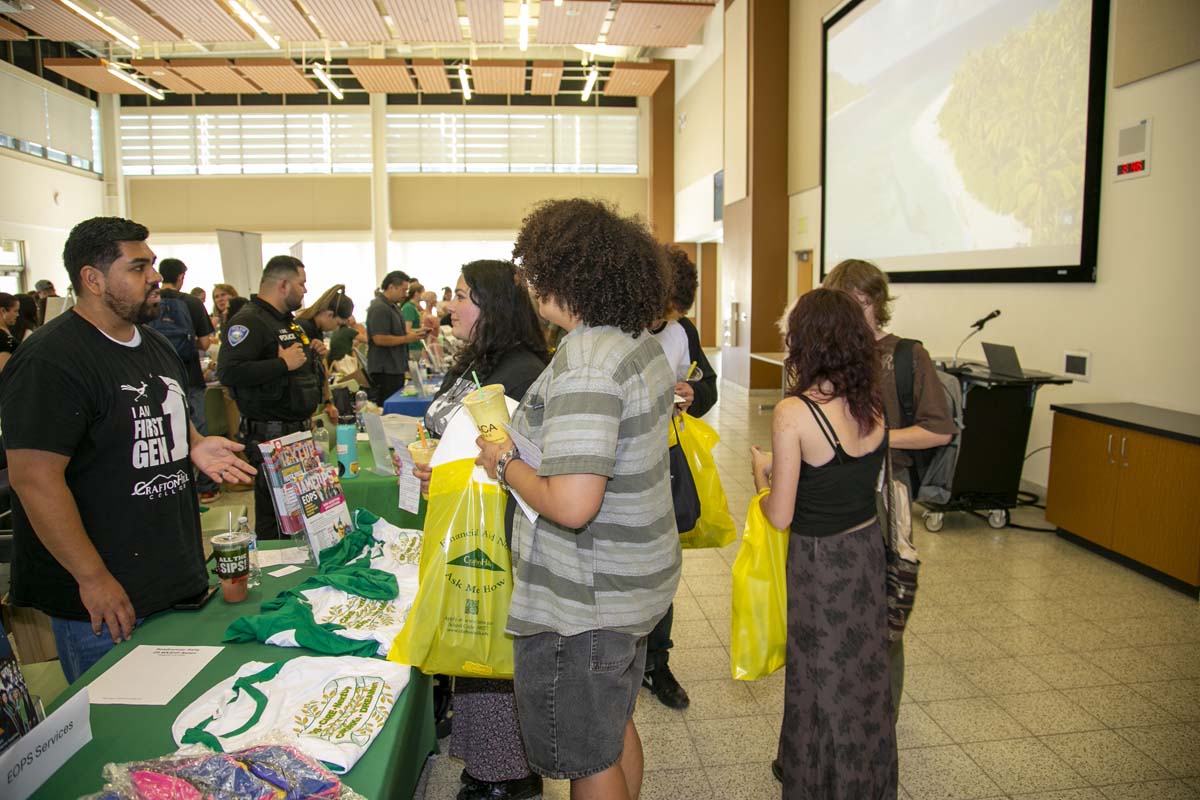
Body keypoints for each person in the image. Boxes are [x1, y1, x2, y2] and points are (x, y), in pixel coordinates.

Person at [475, 198, 679, 800]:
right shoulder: (631, 342)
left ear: (563, 276)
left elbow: (571, 504)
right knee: (610, 725)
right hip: (631, 575)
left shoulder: (588, 362)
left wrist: (505, 461)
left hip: (587, 595)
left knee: (587, 753)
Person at [0, 217, 255, 682]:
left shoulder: (153, 345)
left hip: (172, 580)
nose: (155, 277)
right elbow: (33, 479)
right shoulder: (49, 360)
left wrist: (194, 445)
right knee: (121, 736)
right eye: (138, 268)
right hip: (104, 600)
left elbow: (155, 417)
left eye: (152, 265)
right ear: (92, 279)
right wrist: (93, 578)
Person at [408, 261, 549, 800]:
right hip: (473, 521)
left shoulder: (521, 370)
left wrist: (457, 465)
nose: (450, 305)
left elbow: (515, 456)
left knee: (489, 645)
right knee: (475, 646)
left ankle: (507, 775)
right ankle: (489, 765)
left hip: (498, 533)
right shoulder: (483, 359)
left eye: (463, 295)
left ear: (493, 305)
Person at [749, 288, 897, 799]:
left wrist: (761, 478)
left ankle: (818, 781)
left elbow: (781, 512)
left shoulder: (794, 412)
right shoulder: (872, 402)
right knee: (863, 674)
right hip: (865, 552)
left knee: (817, 680)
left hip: (819, 562)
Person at [823, 258, 955, 715]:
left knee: (883, 619)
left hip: (885, 501)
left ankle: (880, 722)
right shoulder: (827, 356)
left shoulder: (905, 356)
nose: (850, 316)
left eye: (858, 304)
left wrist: (875, 441)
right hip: (829, 499)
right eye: (842, 305)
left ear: (876, 303)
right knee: (832, 617)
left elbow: (939, 430)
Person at [641, 246, 719, 711]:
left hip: (665, 459)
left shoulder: (682, 330)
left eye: (672, 315)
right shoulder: (616, 327)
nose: (665, 321)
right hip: (617, 465)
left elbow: (706, 383)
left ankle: (657, 661)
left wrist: (694, 390)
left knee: (664, 562)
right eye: (661, 312)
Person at [217, 256, 338, 540]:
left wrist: (312, 352)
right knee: (275, 521)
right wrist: (281, 365)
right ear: (283, 285)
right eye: (301, 283)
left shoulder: (286, 323)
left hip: (295, 436)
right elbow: (229, 372)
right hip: (270, 436)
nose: (306, 291)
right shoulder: (250, 321)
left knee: (297, 520)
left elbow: (297, 366)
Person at [154, 258, 221, 502]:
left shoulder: (151, 300)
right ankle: (206, 487)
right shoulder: (192, 303)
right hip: (189, 374)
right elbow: (204, 343)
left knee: (165, 432)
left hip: (158, 376)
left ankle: (173, 486)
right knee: (198, 429)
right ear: (182, 276)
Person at [366, 271, 425, 405]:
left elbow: (399, 333)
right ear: (391, 287)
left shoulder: (393, 307)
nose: (405, 294)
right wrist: (407, 339)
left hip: (395, 367)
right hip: (385, 369)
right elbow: (379, 338)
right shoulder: (379, 308)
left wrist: (417, 333)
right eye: (403, 290)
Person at [0, 293, 20, 373]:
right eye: (15, 311)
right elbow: (5, 370)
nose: (17, 315)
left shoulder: (5, 331)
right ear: (3, 311)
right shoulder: (1, 337)